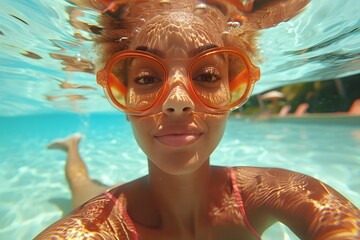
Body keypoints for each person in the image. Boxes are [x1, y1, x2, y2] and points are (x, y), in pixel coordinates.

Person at [35, 0, 360, 239]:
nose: (178, 101)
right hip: (106, 200)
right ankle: (72, 147)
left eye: (206, 75)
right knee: (81, 186)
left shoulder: (279, 192)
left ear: (234, 90)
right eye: (147, 79)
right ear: (123, 96)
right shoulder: (92, 226)